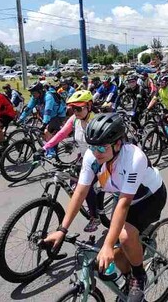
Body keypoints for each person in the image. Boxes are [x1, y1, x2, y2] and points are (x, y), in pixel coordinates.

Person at [41, 113, 167, 302]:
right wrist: (62, 230)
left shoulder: (134, 158)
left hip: (149, 198)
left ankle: (139, 276)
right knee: (117, 249)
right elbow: (80, 193)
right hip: (124, 195)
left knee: (123, 236)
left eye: (101, 147)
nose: (95, 151)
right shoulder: (92, 157)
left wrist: (107, 245)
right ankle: (129, 265)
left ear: (117, 144)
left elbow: (124, 204)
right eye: (92, 146)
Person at [42, 90, 101, 232]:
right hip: (83, 156)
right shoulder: (75, 119)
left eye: (79, 108)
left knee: (85, 187)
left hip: (98, 157)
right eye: (72, 109)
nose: (75, 112)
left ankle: (95, 217)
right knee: (73, 183)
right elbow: (62, 133)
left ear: (89, 106)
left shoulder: (96, 121)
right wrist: (45, 148)